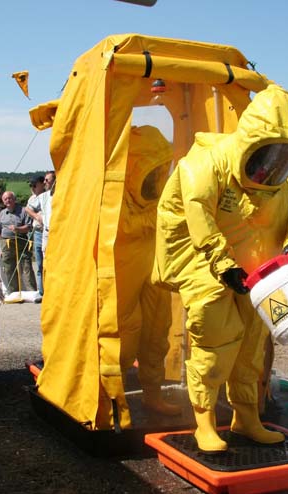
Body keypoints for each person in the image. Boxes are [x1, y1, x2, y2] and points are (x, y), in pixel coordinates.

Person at [153, 84, 288, 452]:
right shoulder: (204, 165)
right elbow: (199, 218)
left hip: (256, 268)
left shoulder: (279, 183)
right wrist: (223, 264)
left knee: (252, 346)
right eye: (269, 153)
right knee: (215, 341)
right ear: (249, 141)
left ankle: (246, 418)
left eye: (285, 156)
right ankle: (204, 422)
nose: (274, 165)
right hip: (205, 265)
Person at [117, 125, 179, 415]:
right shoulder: (113, 197)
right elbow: (122, 226)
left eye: (160, 170)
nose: (157, 177)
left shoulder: (159, 200)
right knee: (123, 335)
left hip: (153, 270)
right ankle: (113, 399)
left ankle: (152, 395)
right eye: (151, 171)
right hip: (125, 273)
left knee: (156, 332)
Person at [0, 191, 36, 294]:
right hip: (6, 242)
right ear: (3, 201)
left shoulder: (23, 211)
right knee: (9, 267)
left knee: (26, 266)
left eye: (10, 198)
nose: (8, 200)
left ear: (14, 199)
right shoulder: (1, 213)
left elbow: (29, 227)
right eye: (5, 199)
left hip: (21, 240)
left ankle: (32, 292)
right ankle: (13, 292)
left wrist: (18, 229)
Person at [24, 175, 46, 295]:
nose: (32, 188)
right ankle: (41, 291)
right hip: (37, 232)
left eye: (34, 185)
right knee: (39, 263)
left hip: (47, 232)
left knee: (48, 263)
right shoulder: (32, 199)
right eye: (30, 185)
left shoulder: (48, 195)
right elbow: (27, 209)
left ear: (42, 184)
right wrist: (36, 216)